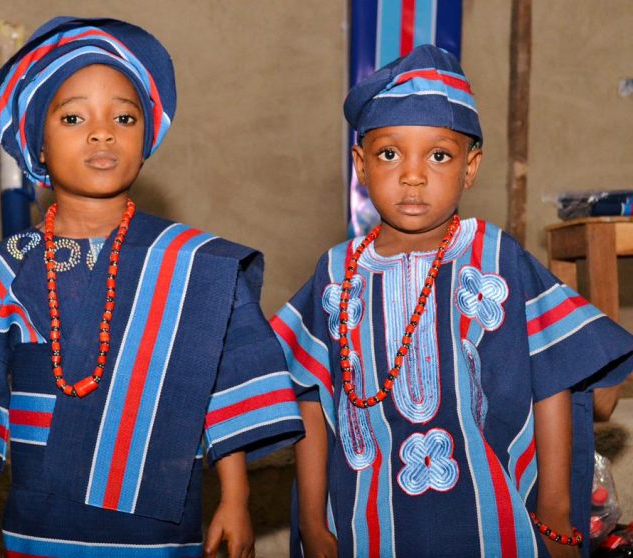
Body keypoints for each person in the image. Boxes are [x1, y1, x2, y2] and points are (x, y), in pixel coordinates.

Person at [0, 16, 303, 558]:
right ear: (38, 145)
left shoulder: (196, 265)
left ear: (145, 141)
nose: (102, 132)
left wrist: (235, 499)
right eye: (73, 117)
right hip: (38, 530)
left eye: (124, 117)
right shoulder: (9, 267)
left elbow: (228, 382)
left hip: (162, 533)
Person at [271, 44, 633, 558]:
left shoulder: (495, 258)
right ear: (360, 165)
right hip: (362, 527)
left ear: (470, 167)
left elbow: (553, 373)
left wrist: (555, 513)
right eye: (389, 154)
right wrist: (313, 524)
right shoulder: (335, 274)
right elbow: (310, 396)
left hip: (492, 523)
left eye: (438, 155)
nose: (413, 175)